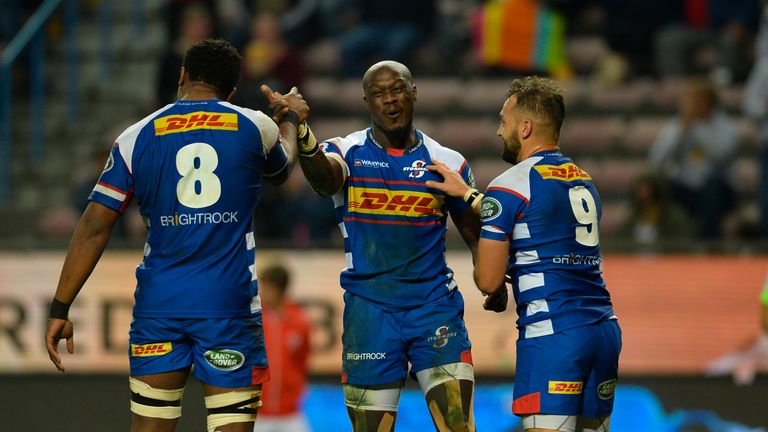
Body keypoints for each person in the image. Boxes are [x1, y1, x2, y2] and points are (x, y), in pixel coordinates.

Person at [44, 39, 309, 432]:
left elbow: (94, 226)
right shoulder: (255, 125)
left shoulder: (135, 137)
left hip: (159, 309)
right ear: (232, 91)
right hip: (227, 307)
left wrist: (60, 308)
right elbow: (282, 169)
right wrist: (289, 118)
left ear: (183, 76)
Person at [272, 60, 481, 431]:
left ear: (414, 93)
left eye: (397, 90)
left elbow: (473, 233)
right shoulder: (347, 151)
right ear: (366, 101)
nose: (390, 100)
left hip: (434, 309)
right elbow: (323, 179)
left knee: (458, 425)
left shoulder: (446, 162)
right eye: (379, 94)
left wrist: (491, 284)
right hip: (370, 314)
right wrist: (301, 130)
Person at [426, 76, 621, 432]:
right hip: (603, 331)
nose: (500, 131)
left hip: (553, 335)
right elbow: (540, 229)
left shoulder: (508, 183)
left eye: (504, 121)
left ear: (526, 127)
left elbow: (488, 280)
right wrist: (470, 195)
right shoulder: (582, 180)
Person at [648, 77, 739, 239]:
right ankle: (654, 237)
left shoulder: (726, 126)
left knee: (713, 186)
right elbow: (656, 161)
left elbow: (721, 156)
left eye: (697, 100)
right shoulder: (677, 125)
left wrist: (696, 128)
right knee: (655, 185)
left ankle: (708, 241)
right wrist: (681, 132)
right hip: (687, 188)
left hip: (720, 190)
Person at [256, 261, 313, 432]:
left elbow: (303, 360)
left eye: (265, 287)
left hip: (290, 413)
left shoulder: (299, 321)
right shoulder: (255, 320)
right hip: (259, 413)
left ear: (277, 289)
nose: (261, 292)